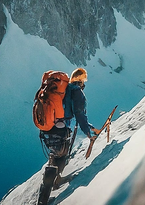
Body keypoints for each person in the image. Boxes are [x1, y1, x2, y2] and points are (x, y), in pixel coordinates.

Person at [38, 68, 96, 203]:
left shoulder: (63, 90)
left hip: (47, 129)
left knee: (55, 156)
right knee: (60, 156)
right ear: (81, 81)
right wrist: (89, 133)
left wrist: (90, 127)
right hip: (60, 131)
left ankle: (49, 189)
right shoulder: (76, 92)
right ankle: (44, 198)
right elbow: (80, 115)